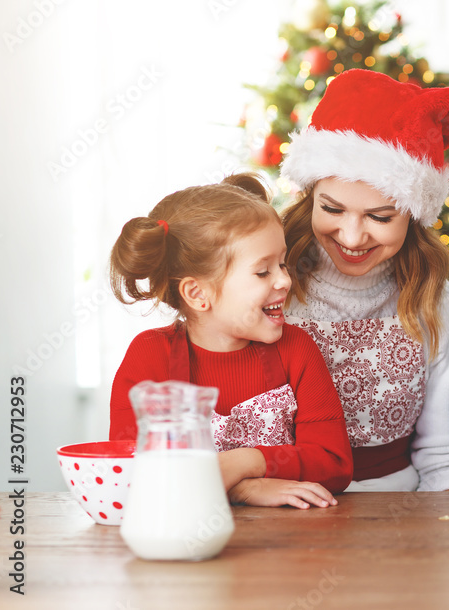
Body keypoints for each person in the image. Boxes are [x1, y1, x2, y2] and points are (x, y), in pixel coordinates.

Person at [279, 69, 449, 492]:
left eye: (379, 217)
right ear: (308, 195)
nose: (352, 238)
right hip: (285, 511)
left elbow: (445, 453)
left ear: (414, 215)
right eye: (332, 209)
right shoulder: (272, 283)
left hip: (400, 516)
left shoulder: (433, 302)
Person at [109, 173, 354, 510]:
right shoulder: (150, 357)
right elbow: (134, 473)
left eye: (282, 263)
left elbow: (333, 463)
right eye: (263, 271)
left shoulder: (296, 349)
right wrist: (240, 489)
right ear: (198, 294)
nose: (285, 280)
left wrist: (242, 464)